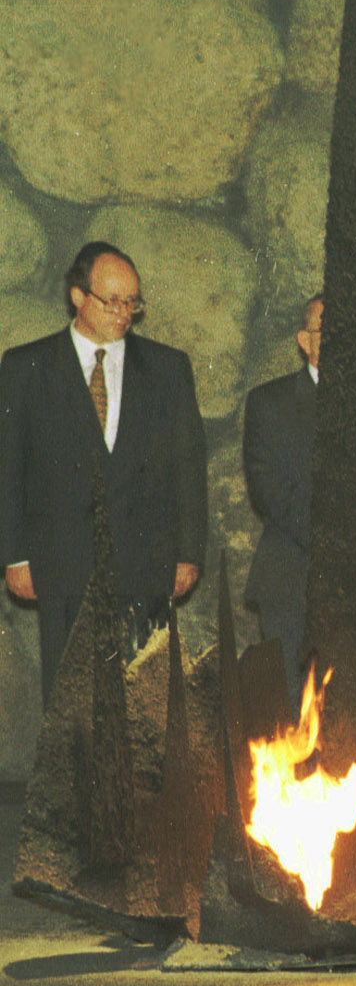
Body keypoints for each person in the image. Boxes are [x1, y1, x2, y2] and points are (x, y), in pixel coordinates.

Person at [0, 241, 208, 704]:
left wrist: (189, 552)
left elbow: (189, 466)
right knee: (70, 706)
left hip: (145, 566)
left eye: (132, 302)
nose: (124, 313)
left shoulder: (168, 369)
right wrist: (14, 557)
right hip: (61, 566)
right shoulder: (24, 367)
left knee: (142, 704)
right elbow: (9, 468)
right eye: (112, 301)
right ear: (78, 296)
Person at [242, 295, 323, 703]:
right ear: (304, 341)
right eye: (328, 331)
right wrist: (331, 541)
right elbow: (268, 489)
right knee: (290, 713)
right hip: (292, 577)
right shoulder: (269, 403)